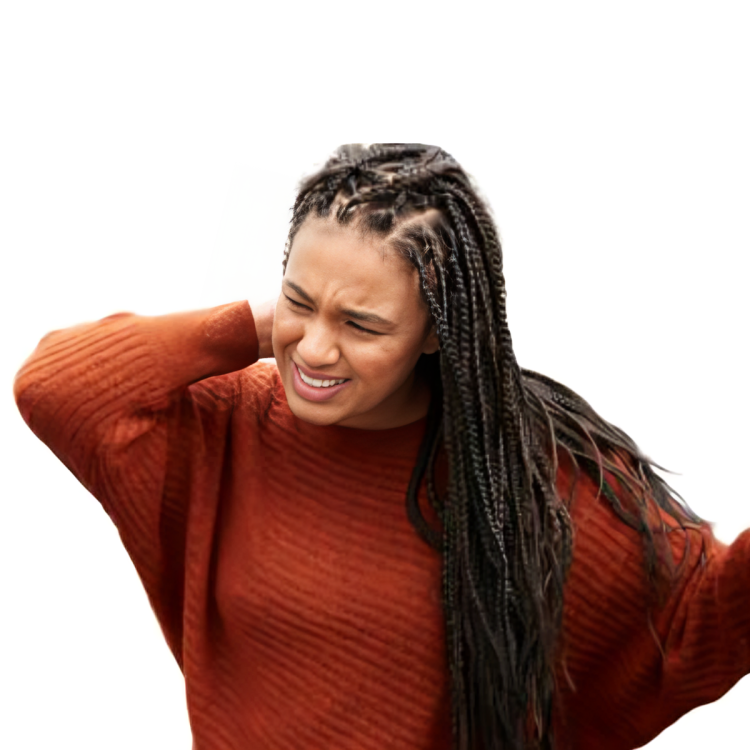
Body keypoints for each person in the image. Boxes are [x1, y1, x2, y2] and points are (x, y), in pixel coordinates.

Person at [13, 143, 750, 750]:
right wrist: (248, 328)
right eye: (298, 301)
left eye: (362, 325)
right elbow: (56, 387)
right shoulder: (225, 428)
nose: (318, 349)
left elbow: (701, 622)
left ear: (437, 333)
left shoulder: (521, 477)